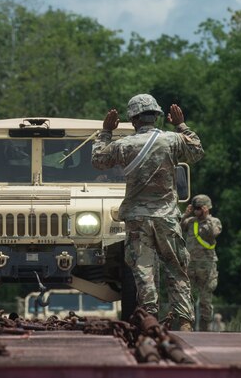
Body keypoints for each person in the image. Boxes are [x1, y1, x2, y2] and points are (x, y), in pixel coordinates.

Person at [92, 94, 204, 331]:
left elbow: (98, 160)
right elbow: (196, 152)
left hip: (137, 218)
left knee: (144, 270)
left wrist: (105, 131)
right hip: (167, 217)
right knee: (176, 268)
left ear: (133, 119)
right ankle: (184, 321)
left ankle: (149, 319)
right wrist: (181, 125)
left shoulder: (124, 146)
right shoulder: (173, 140)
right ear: (157, 116)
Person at [181, 194, 222, 331]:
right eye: (195, 209)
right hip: (191, 265)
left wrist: (206, 217)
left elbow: (213, 234)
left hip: (207, 267)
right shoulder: (192, 221)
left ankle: (206, 327)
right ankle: (186, 324)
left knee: (205, 299)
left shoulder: (214, 221)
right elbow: (179, 227)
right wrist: (185, 214)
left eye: (198, 208)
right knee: (187, 296)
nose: (196, 211)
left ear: (205, 208)